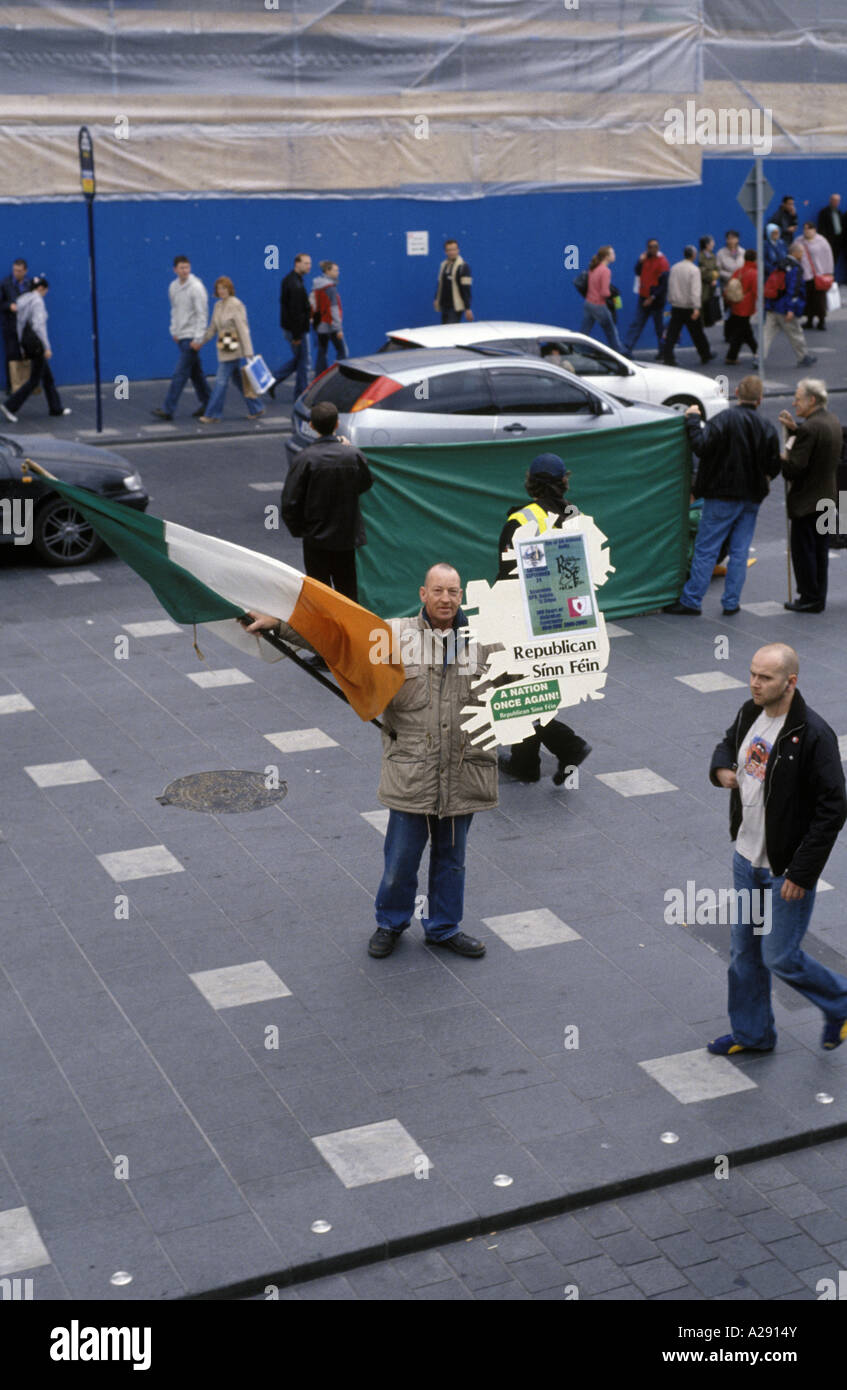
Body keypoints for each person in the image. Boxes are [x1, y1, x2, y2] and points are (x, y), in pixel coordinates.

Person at [707, 642, 847, 1056]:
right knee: (743, 954)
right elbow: (728, 743)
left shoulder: (813, 735)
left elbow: (834, 808)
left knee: (780, 956)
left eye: (765, 677)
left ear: (791, 682)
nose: (754, 683)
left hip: (785, 869)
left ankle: (840, 1001)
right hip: (746, 860)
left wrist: (802, 874)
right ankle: (753, 1036)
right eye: (752, 674)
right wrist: (721, 769)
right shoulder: (750, 712)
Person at [367, 562, 498, 960]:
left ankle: (443, 927)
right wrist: (280, 624)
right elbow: (336, 635)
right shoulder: (392, 634)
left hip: (463, 773)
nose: (445, 599)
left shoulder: (485, 641)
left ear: (462, 596)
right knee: (401, 861)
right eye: (438, 591)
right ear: (423, 594)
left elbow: (525, 680)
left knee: (452, 860)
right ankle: (390, 923)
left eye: (453, 592)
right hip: (413, 773)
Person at [496, 453, 592, 784]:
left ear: (530, 482)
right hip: (567, 616)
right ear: (564, 480)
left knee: (516, 691)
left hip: (526, 619)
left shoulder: (519, 522)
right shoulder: (575, 517)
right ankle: (525, 762)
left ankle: (569, 745)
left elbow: (508, 580)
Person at [664, 376, 780, 617]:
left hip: (721, 495)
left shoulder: (724, 420)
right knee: (739, 551)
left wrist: (693, 420)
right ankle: (731, 602)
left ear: (737, 392)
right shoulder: (766, 426)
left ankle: (692, 600)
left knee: (706, 548)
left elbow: (701, 445)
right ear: (760, 399)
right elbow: (774, 465)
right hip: (752, 497)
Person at [280, 400, 373, 603]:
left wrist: (302, 531)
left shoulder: (304, 459)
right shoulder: (353, 455)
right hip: (346, 539)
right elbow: (365, 483)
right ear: (337, 424)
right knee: (348, 596)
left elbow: (289, 503)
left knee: (320, 597)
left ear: (312, 425)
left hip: (316, 541)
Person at [778, 377, 842, 613]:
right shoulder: (831, 420)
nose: (795, 405)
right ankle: (818, 596)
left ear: (811, 399)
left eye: (797, 400)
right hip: (827, 499)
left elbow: (794, 468)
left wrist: (784, 453)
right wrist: (797, 430)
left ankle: (809, 597)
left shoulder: (810, 429)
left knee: (804, 552)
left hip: (807, 504)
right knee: (820, 551)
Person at [193, 276, 264, 424]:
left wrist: (248, 352)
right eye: (219, 288)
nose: (222, 291)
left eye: (224, 288)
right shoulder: (218, 305)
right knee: (239, 381)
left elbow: (243, 329)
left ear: (230, 289)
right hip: (224, 346)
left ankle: (213, 414)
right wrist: (200, 341)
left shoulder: (236, 304)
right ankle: (256, 407)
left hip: (233, 347)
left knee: (220, 381)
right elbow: (212, 328)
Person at [0, 275, 71, 422]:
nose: (45, 294)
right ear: (40, 288)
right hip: (37, 344)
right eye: (45, 291)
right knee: (34, 380)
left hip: (28, 343)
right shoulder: (37, 301)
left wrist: (21, 346)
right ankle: (10, 406)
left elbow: (19, 325)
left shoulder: (22, 300)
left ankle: (55, 408)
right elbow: (39, 327)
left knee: (48, 378)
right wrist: (47, 347)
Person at [151, 255, 210, 421]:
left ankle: (168, 409)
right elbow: (175, 310)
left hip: (192, 336)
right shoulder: (173, 287)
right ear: (175, 269)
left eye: (187, 267)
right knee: (196, 373)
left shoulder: (196, 287)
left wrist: (199, 338)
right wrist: (174, 330)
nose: (185, 270)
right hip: (181, 335)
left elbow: (202, 314)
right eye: (182, 268)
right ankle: (209, 402)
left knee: (180, 373)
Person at [762, 239, 817, 369]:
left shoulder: (779, 264)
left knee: (766, 334)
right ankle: (803, 357)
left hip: (773, 305)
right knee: (795, 333)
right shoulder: (795, 268)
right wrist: (791, 309)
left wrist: (768, 303)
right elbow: (794, 290)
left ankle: (758, 358)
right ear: (796, 252)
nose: (802, 254)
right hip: (784, 307)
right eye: (801, 252)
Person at [661, 245, 715, 366]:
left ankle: (667, 356)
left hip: (677, 306)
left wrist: (671, 300)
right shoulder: (694, 270)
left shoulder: (674, 268)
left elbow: (671, 286)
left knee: (672, 333)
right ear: (693, 255)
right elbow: (695, 290)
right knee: (697, 333)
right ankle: (705, 354)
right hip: (689, 307)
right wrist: (696, 307)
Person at [271, 252, 312, 400]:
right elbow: (295, 311)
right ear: (297, 263)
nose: (309, 266)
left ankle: (273, 381)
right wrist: (296, 336)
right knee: (304, 363)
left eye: (309, 263)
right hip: (298, 330)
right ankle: (301, 394)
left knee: (300, 360)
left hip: (293, 328)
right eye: (306, 263)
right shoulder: (295, 284)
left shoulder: (292, 280)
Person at [622, 237, 669, 356]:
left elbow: (664, 285)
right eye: (650, 247)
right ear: (647, 248)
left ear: (658, 248)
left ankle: (663, 351)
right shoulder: (645, 259)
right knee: (637, 324)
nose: (653, 249)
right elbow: (637, 272)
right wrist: (640, 261)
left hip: (656, 300)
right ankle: (627, 349)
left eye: (655, 246)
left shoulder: (662, 262)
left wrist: (652, 297)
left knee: (659, 327)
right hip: (643, 297)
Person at [580, 246, 623, 352]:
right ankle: (621, 355)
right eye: (612, 253)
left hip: (588, 303)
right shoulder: (606, 271)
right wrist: (613, 294)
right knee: (611, 333)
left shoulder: (593, 267)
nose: (614, 255)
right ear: (607, 257)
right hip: (599, 305)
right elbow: (604, 292)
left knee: (584, 332)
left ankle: (577, 350)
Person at [311, 261, 347, 375]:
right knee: (342, 351)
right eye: (335, 270)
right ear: (328, 271)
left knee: (322, 353)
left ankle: (319, 376)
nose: (338, 272)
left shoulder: (317, 286)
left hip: (320, 325)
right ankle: (339, 376)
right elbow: (334, 309)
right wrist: (338, 328)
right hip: (330, 325)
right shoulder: (330, 288)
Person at [0, 257, 30, 392]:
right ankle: (12, 385)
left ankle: (26, 384)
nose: (16, 273)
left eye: (19, 271)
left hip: (25, 326)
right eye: (14, 270)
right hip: (10, 325)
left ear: (25, 271)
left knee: (26, 354)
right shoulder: (5, 283)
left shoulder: (29, 284)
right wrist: (9, 306)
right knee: (11, 355)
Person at [725, 250, 758, 366]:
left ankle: (733, 356)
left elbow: (729, 286)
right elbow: (755, 291)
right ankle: (756, 352)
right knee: (743, 332)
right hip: (746, 306)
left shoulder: (738, 271)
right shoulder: (754, 273)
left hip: (736, 304)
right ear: (755, 259)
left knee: (743, 331)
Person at [799, 221, 834, 331]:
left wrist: (829, 272)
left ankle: (821, 321)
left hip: (819, 274)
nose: (806, 231)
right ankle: (809, 320)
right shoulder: (799, 241)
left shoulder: (822, 242)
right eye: (805, 228)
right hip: (805, 275)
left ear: (814, 230)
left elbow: (828, 257)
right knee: (808, 298)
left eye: (809, 228)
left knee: (819, 299)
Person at [433, 240, 473, 325]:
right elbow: (440, 283)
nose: (451, 252)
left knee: (450, 332)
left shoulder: (463, 267)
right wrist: (436, 298)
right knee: (444, 330)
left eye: (454, 249)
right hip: (444, 305)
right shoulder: (443, 265)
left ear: (458, 250)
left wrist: (468, 308)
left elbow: (466, 289)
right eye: (449, 250)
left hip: (455, 307)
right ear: (445, 252)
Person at [817, 194, 844, 281]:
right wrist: (825, 241)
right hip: (828, 241)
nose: (836, 203)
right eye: (834, 200)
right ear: (830, 200)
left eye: (838, 201)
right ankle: (825, 279)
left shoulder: (839, 212)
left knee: (834, 261)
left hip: (838, 242)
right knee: (826, 261)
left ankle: (831, 278)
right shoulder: (824, 212)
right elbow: (821, 228)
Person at [699, 235, 721, 327]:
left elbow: (717, 269)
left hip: (712, 285)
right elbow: (702, 270)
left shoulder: (713, 255)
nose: (713, 244)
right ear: (707, 244)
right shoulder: (701, 256)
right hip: (703, 285)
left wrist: (715, 278)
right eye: (712, 242)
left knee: (711, 302)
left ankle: (710, 321)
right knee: (703, 302)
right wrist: (712, 277)